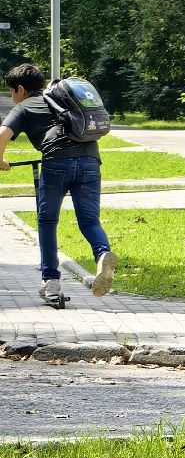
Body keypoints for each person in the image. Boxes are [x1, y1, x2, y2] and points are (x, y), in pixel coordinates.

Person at [0, 63, 115, 303]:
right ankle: (102, 254)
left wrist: (0, 161)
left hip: (57, 165)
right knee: (89, 220)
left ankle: (51, 280)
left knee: (48, 221)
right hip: (90, 162)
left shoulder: (25, 106)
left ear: (20, 89)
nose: (12, 97)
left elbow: (2, 135)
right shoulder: (62, 100)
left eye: (12, 91)